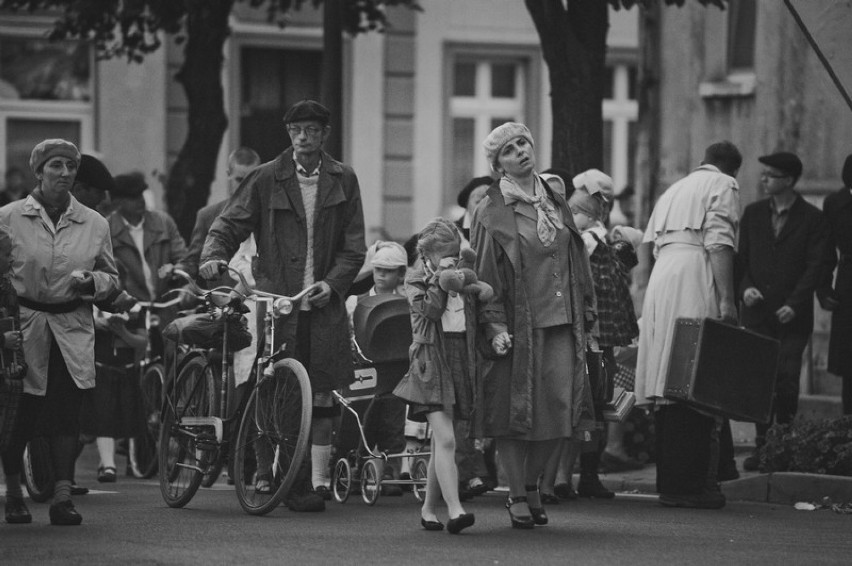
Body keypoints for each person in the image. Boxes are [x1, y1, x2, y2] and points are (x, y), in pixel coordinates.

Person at [200, 99, 366, 512]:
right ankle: (266, 474)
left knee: (310, 394)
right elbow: (230, 222)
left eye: (312, 130)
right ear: (288, 134)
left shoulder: (343, 178)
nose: (304, 137)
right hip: (276, 302)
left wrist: (333, 284)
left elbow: (354, 245)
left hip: (319, 303)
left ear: (325, 133)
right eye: (296, 130)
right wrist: (212, 254)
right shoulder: (266, 177)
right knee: (270, 385)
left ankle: (295, 480)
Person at [471, 122, 596, 529]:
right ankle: (515, 495)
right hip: (518, 324)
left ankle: (530, 484)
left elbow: (575, 255)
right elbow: (485, 270)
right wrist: (493, 325)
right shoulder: (491, 208)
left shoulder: (555, 198)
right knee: (514, 412)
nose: (520, 152)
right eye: (509, 151)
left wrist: (587, 313)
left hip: (564, 319)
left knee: (560, 410)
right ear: (498, 165)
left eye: (523, 143)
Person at [0, 138, 119, 525]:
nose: (64, 174)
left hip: (72, 327)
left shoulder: (94, 222)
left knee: (67, 415)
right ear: (39, 171)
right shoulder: (9, 217)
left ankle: (62, 498)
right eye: (55, 166)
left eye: (70, 167)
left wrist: (93, 282)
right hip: (25, 327)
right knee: (20, 415)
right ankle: (15, 494)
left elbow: (113, 281)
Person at [635, 141, 742, 510]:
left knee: (670, 379)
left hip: (663, 278)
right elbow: (719, 240)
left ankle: (675, 481)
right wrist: (727, 298)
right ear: (731, 170)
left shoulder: (674, 189)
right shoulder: (724, 185)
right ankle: (693, 484)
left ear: (703, 163)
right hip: (694, 275)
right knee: (695, 377)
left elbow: (651, 248)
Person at [540, 169, 640, 503]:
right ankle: (561, 478)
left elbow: (610, 289)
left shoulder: (598, 244)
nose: (577, 217)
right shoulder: (583, 243)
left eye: (582, 213)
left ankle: (573, 477)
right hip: (586, 334)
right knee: (581, 409)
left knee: (592, 408)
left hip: (595, 335)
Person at [737, 152, 832, 471]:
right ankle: (762, 447)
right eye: (763, 174)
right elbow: (743, 258)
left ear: (789, 180)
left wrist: (796, 303)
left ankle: (784, 446)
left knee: (788, 380)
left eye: (771, 175)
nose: (763, 180)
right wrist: (745, 287)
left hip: (793, 316)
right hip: (757, 313)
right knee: (759, 382)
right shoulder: (752, 214)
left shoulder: (812, 218)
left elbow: (816, 265)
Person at [393, 218, 476, 534]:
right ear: (427, 255)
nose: (453, 264)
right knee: (446, 439)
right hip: (430, 359)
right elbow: (429, 312)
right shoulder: (415, 278)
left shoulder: (458, 273)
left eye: (455, 256)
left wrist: (461, 274)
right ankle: (455, 510)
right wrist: (438, 280)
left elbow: (472, 308)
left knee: (445, 444)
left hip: (457, 356)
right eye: (447, 258)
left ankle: (429, 509)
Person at [345, 241, 408, 497]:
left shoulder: (407, 302)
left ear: (401, 273)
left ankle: (392, 469)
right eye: (378, 269)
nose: (381, 275)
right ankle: (358, 465)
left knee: (393, 421)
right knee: (362, 418)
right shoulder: (354, 302)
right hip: (364, 369)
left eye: (388, 270)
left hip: (396, 370)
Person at [180, 147, 262, 286]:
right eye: (239, 180)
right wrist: (181, 272)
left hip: (263, 299)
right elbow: (194, 261)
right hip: (223, 300)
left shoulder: (270, 215)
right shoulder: (208, 216)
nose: (246, 187)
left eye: (251, 180)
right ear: (228, 174)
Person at [820, 154, 852, 415]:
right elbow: (826, 250)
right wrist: (824, 288)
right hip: (848, 286)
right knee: (849, 364)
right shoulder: (835, 203)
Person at [455, 176, 492, 241]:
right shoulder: (454, 233)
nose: (484, 206)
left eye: (489, 202)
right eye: (478, 201)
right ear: (467, 206)